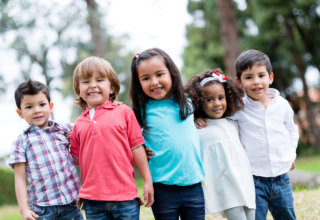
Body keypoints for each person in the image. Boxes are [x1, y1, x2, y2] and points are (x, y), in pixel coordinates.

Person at [196, 49, 299, 220]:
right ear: (239, 82)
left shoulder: (282, 105)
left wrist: (291, 154)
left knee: (287, 215)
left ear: (270, 77)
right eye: (249, 77)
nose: (256, 82)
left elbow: (291, 130)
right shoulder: (238, 108)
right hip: (254, 179)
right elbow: (218, 118)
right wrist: (198, 118)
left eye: (261, 75)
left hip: (282, 178)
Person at [70, 56, 153, 220]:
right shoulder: (78, 123)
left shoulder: (124, 112)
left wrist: (148, 181)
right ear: (78, 90)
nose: (93, 85)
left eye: (99, 80)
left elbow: (136, 148)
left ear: (112, 87)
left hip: (125, 197)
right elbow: (77, 160)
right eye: (86, 82)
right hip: (92, 200)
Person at [130, 48, 205, 220]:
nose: (154, 82)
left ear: (171, 73)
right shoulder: (141, 110)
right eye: (146, 78)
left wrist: (199, 120)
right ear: (138, 83)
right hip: (161, 187)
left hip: (192, 184)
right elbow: (131, 138)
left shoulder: (188, 102)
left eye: (159, 74)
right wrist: (142, 148)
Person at [185, 69, 256, 220]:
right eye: (209, 99)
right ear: (199, 101)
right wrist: (194, 120)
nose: (217, 103)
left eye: (221, 98)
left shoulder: (233, 123)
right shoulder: (199, 130)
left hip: (245, 184)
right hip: (226, 189)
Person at [9, 79, 83, 220]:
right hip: (42, 209)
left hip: (71, 204)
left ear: (50, 106)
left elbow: (86, 135)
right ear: (20, 113)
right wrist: (24, 209)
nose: (37, 110)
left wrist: (76, 137)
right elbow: (19, 178)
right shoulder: (21, 142)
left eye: (42, 104)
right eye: (29, 107)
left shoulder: (64, 129)